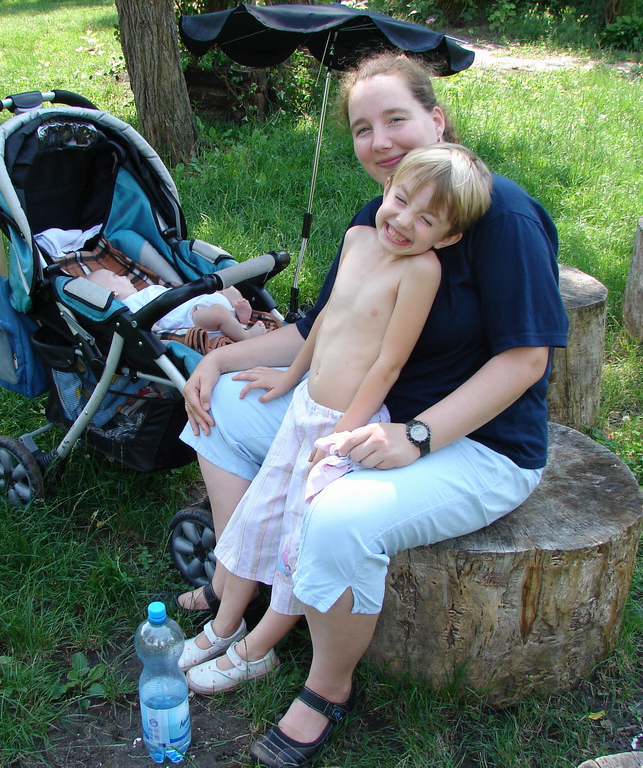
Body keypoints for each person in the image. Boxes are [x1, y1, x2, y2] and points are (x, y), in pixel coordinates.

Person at [175, 50, 569, 768]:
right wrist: (219, 361)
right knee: (224, 409)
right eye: (363, 129)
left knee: (338, 517)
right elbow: (323, 324)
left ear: (436, 119)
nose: (380, 142)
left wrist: (416, 436)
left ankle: (327, 687)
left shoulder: (503, 216)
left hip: (475, 444)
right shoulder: (379, 218)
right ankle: (243, 578)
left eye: (396, 119)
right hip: (369, 415)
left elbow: (526, 360)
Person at [176, 143, 493, 691]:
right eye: (401, 200)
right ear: (386, 189)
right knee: (260, 514)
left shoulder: (422, 272)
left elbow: (389, 364)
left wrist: (344, 434)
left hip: (344, 424)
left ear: (447, 237)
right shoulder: (357, 238)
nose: (404, 222)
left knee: (298, 538)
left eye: (426, 220)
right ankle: (225, 624)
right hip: (304, 408)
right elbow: (324, 320)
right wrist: (289, 376)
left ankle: (258, 650)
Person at [85, 268, 268, 341]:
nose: (124, 276)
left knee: (227, 287)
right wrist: (156, 333)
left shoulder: (145, 292)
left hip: (199, 300)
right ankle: (246, 336)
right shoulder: (128, 307)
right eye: (116, 276)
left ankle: (240, 314)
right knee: (219, 312)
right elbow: (146, 326)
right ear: (112, 292)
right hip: (194, 318)